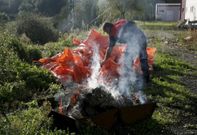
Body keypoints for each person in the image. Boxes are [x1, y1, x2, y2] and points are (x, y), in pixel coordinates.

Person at [102, 19, 149, 83]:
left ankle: (145, 79)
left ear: (109, 27)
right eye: (106, 32)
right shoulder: (113, 34)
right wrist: (104, 60)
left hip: (140, 38)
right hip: (133, 42)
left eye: (107, 31)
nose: (108, 34)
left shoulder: (119, 29)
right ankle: (129, 77)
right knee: (128, 58)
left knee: (142, 58)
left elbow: (132, 23)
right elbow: (109, 49)